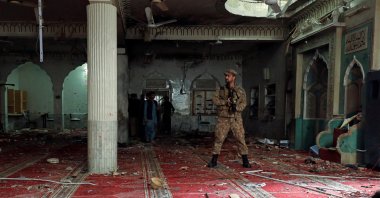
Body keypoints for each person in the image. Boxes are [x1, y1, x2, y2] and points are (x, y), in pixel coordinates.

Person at [207, 69, 252, 168]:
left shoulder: (240, 90)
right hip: (224, 118)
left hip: (236, 118)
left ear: (234, 77)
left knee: (240, 138)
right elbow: (214, 99)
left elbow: (244, 103)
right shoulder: (221, 89)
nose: (226, 77)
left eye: (228, 76)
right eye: (226, 76)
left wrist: (237, 108)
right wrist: (225, 102)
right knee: (219, 138)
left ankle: (245, 161)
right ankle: (214, 161)